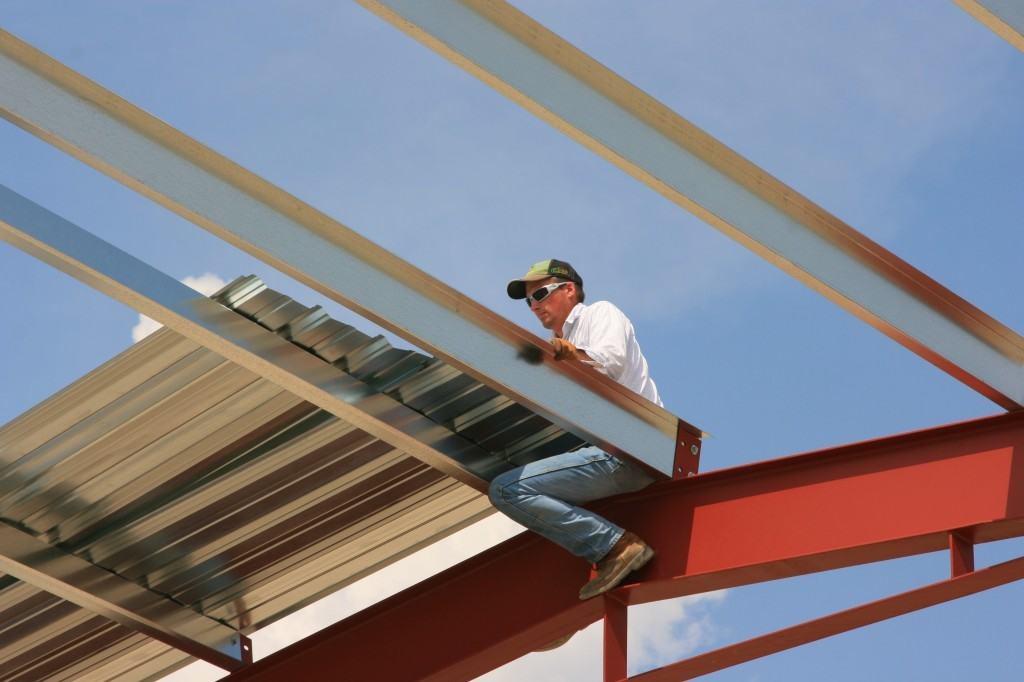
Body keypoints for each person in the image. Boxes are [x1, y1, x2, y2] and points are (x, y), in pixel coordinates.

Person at [489, 258, 661, 601]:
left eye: (541, 293)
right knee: (523, 484)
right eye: (529, 301)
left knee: (508, 491)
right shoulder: (555, 349)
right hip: (611, 453)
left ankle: (617, 546)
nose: (535, 306)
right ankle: (556, 604)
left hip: (630, 448)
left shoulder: (599, 314)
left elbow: (609, 361)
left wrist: (573, 355)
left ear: (569, 290)